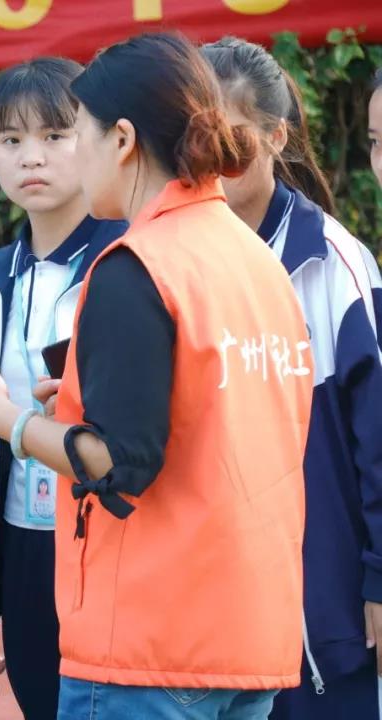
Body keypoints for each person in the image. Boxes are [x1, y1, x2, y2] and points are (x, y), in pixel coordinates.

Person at [0, 32, 314, 719]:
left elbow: (118, 462)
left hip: (149, 642)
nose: (65, 156)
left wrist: (5, 421)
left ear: (120, 139)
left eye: (73, 132)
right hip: (248, 632)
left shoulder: (137, 265)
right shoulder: (253, 256)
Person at [200, 37, 382, 719]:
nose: (210, 158)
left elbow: (376, 439)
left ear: (277, 136)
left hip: (323, 625)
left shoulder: (330, 264)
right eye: (193, 136)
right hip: (212, 620)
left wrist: (378, 579)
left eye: (231, 138)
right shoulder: (168, 261)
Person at [0, 57, 125, 719]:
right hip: (25, 546)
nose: (32, 157)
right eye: (11, 139)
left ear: (101, 139)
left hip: (110, 550)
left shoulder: (129, 263)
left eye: (55, 136)